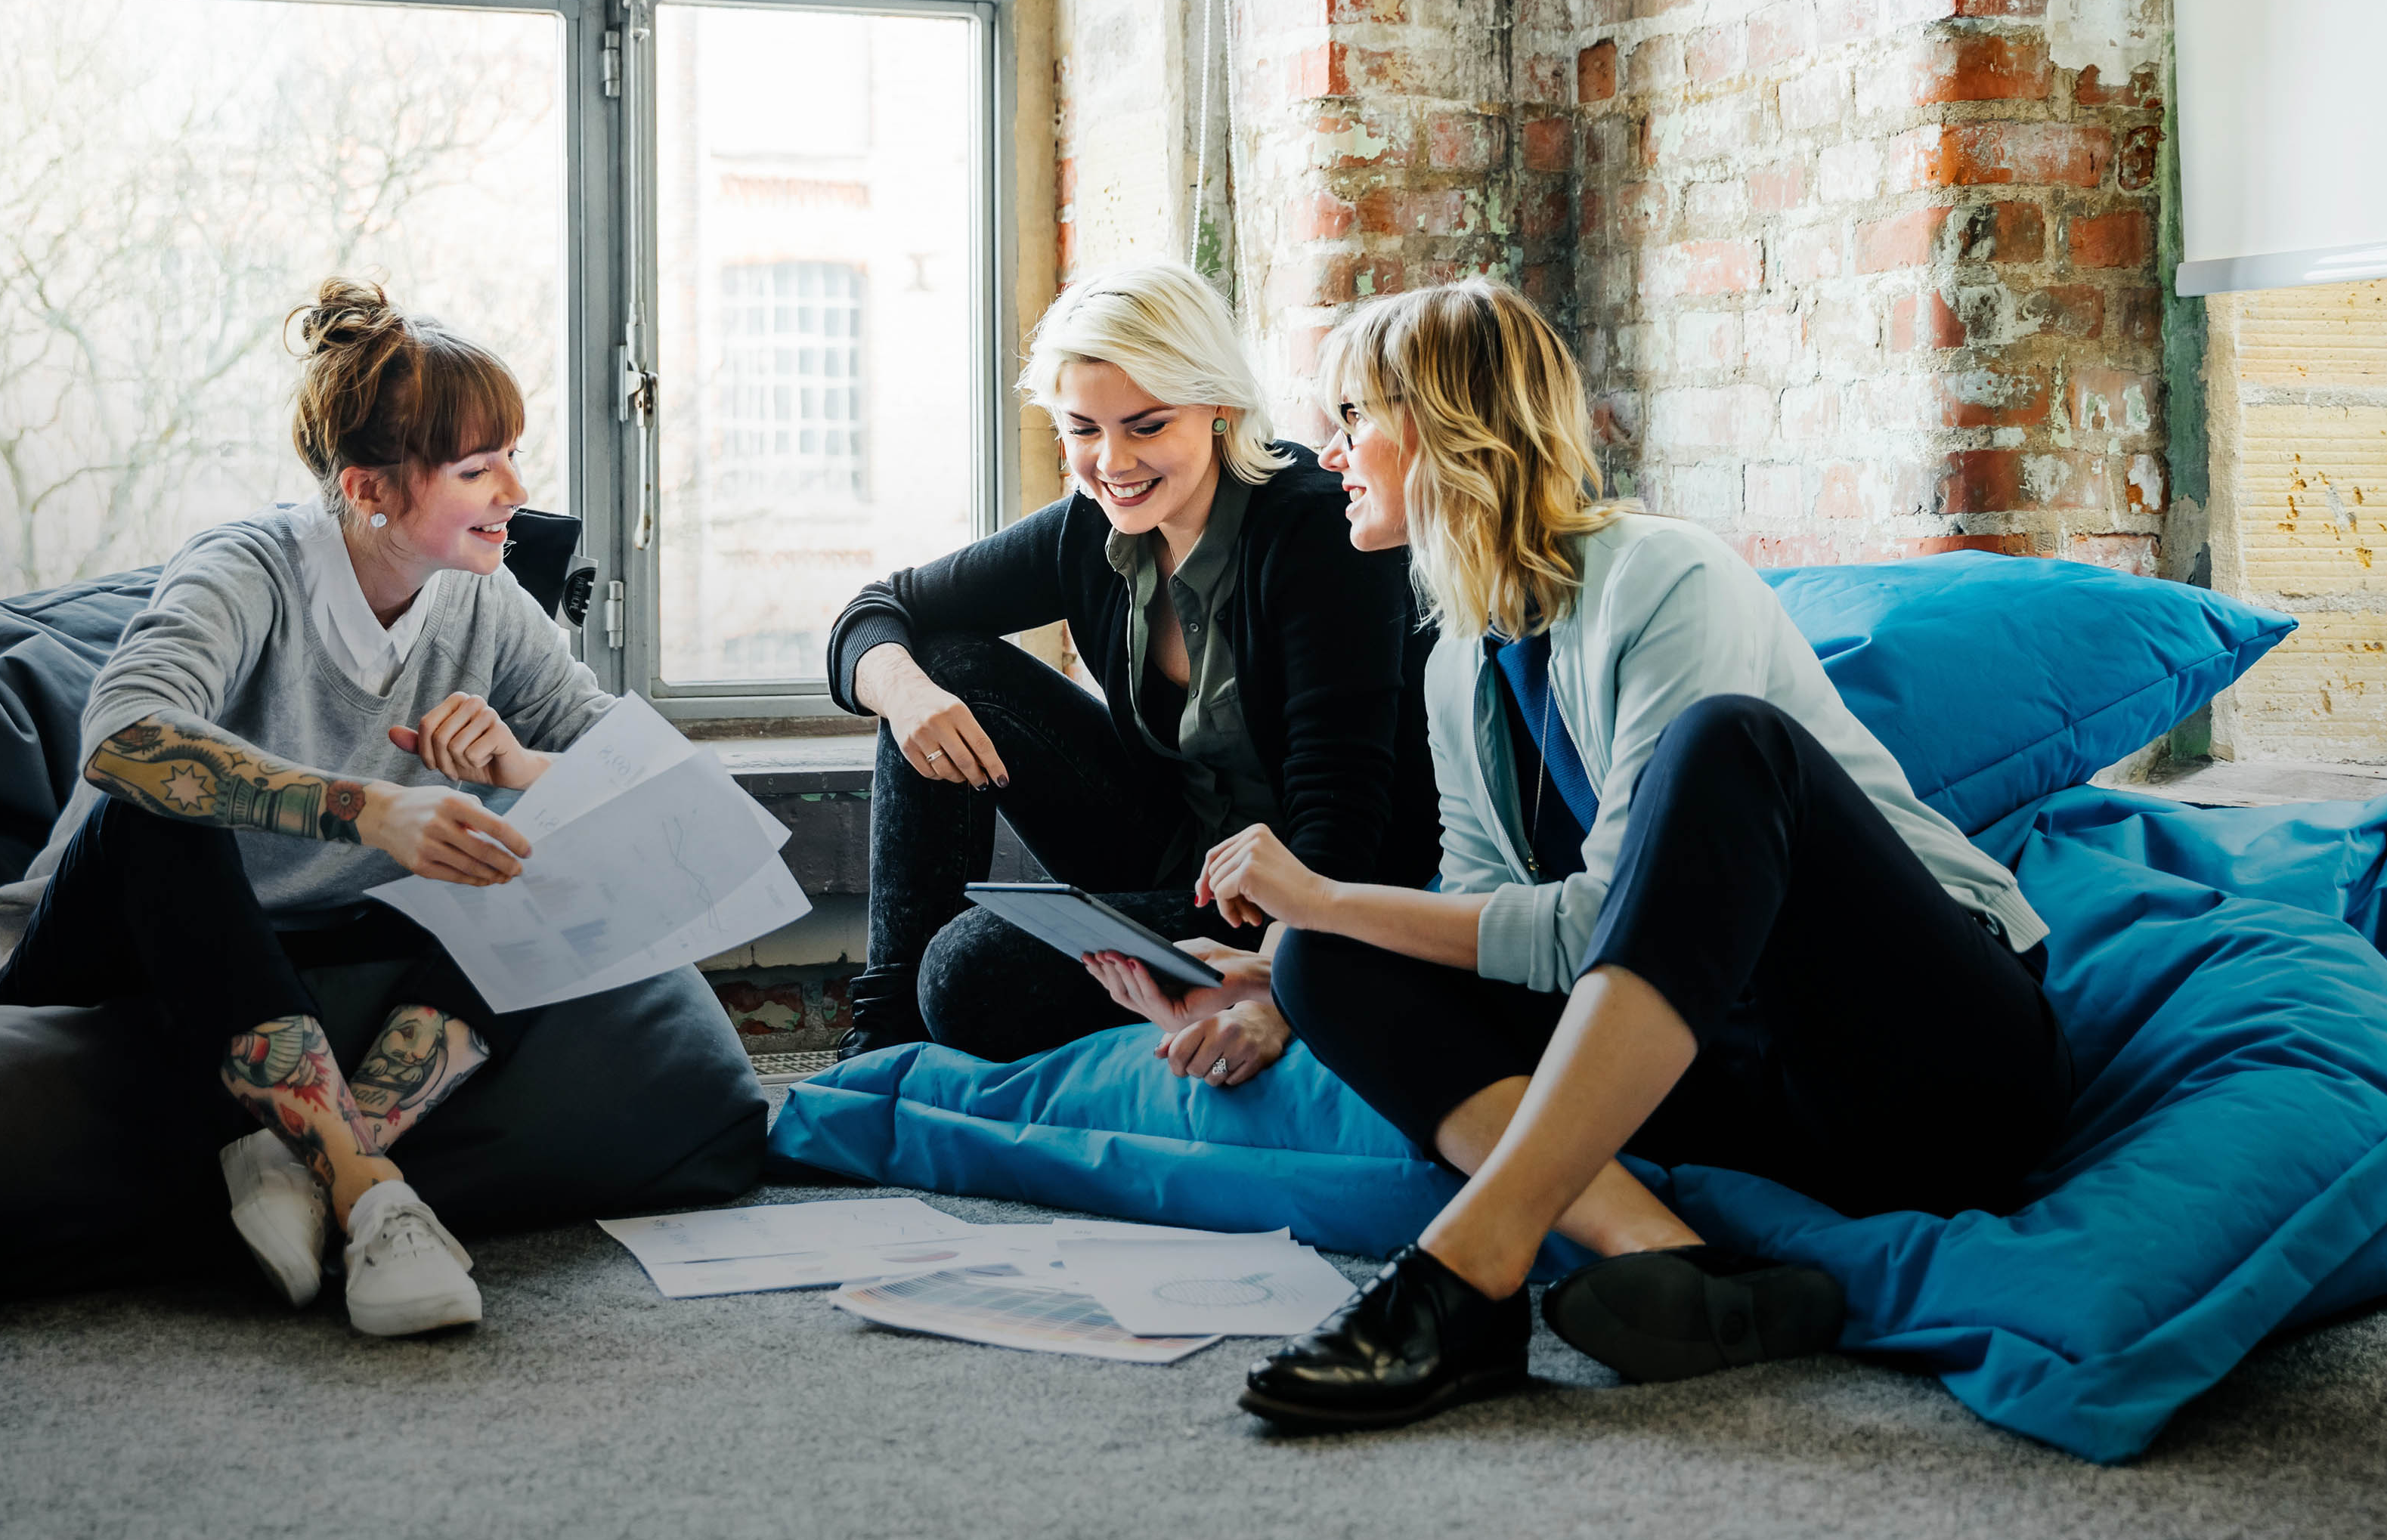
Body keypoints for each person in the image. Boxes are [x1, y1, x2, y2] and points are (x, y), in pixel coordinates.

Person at [1190, 277, 2073, 1431]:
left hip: (1930, 1066)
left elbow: (1594, 921)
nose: (1331, 448)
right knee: (1322, 959)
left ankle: (1471, 1267)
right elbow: (1492, 923)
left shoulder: (1665, 576)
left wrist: (1328, 893)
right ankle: (1675, 1259)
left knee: (1730, 745)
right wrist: (1309, 947)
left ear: (1451, 426)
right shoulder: (1456, 664)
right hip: (1727, 1079)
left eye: (1355, 417)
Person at [0, 278, 625, 1340]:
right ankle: (377, 1200)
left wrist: (516, 766)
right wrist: (370, 809)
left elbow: (628, 773)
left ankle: (307, 1162)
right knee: (154, 812)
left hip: (329, 951)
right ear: (370, 490)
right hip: (125, 942)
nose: (516, 487)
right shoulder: (247, 571)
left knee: (547, 845)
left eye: (511, 454)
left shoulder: (484, 595)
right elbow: (123, 737)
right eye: (477, 469)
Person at [825, 260, 1439, 1076]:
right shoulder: (1089, 524)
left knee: (972, 971)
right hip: (1172, 859)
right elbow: (875, 612)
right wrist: (904, 692)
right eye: (1083, 429)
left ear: (1219, 406)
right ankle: (883, 1045)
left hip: (1301, 890)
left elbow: (1343, 822)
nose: (1112, 461)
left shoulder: (1319, 527)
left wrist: (1287, 985)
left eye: (1146, 426)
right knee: (943, 663)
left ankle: (936, 1015)